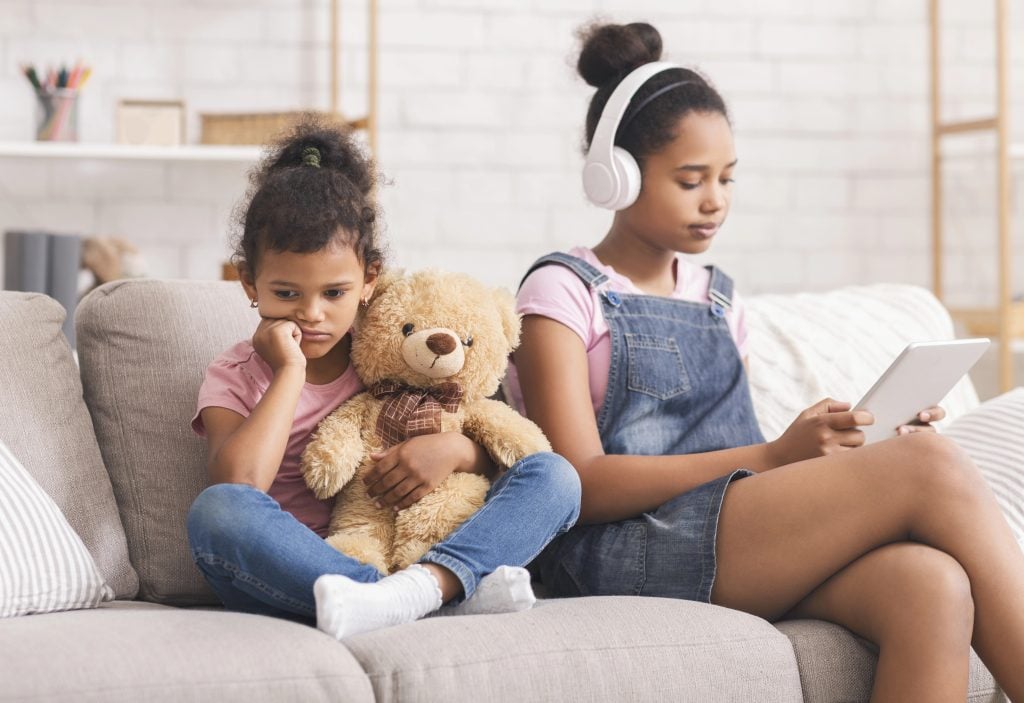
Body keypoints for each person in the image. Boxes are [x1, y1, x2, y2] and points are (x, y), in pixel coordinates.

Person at [508, 22, 1024, 701]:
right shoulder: (560, 292)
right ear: (617, 177)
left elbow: (739, 462)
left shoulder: (720, 300)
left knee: (932, 585)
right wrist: (776, 455)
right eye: (690, 180)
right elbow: (580, 482)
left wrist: (841, 447)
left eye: (726, 178)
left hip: (726, 529)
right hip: (616, 546)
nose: (715, 199)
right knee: (929, 464)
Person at [186, 117, 580, 640]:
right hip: (297, 573)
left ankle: (415, 590)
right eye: (286, 293)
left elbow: (484, 438)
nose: (312, 314)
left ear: (369, 279)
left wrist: (457, 451)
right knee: (216, 511)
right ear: (249, 283)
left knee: (556, 477)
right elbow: (238, 483)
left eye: (334, 293)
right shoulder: (235, 375)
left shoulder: (387, 351)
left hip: (405, 549)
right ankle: (427, 593)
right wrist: (289, 372)